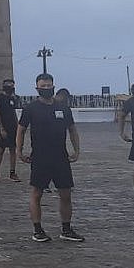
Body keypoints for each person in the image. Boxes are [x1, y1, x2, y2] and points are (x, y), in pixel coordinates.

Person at [17, 73, 83, 243]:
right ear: (37, 88)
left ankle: (66, 229)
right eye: (43, 86)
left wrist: (76, 150)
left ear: (53, 86)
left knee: (66, 194)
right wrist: (19, 151)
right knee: (36, 194)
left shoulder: (63, 108)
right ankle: (37, 230)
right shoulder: (30, 108)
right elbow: (21, 130)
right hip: (40, 156)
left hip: (60, 156)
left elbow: (72, 129)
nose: (46, 88)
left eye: (49, 85)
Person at [0, 79, 21, 182]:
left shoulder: (13, 98)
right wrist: (1, 128)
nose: (11, 87)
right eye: (9, 85)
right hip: (4, 127)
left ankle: (12, 172)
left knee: (13, 149)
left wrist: (18, 126)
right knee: (1, 149)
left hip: (13, 127)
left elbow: (14, 113)